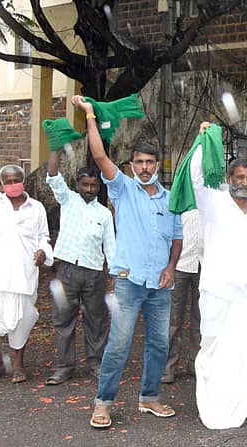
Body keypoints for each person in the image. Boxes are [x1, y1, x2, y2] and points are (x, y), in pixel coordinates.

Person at [74, 95, 184, 429]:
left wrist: (170, 267)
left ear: (157, 164)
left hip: (161, 285)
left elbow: (177, 237)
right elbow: (98, 155)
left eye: (150, 162)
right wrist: (91, 116)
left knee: (158, 344)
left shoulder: (170, 199)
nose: (145, 167)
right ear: (132, 166)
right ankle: (103, 403)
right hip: (129, 282)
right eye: (140, 162)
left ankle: (149, 398)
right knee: (119, 345)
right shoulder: (123, 190)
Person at [179, 122, 247, 428]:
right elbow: (196, 175)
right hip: (217, 292)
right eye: (239, 177)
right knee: (214, 349)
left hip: (246, 298)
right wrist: (203, 139)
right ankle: (213, 404)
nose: (244, 182)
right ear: (229, 178)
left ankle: (241, 398)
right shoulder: (213, 202)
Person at [0, 165, 54, 383]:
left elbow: (44, 237)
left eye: (16, 180)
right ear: (1, 184)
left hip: (23, 275)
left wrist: (43, 253)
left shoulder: (36, 208)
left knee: (22, 319)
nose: (12, 185)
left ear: (23, 181)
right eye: (8, 181)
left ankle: (18, 365)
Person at [44, 148, 115, 385]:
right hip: (67, 271)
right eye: (85, 185)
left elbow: (110, 246)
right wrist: (54, 148)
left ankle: (95, 364)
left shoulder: (104, 214)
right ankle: (65, 367)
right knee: (64, 320)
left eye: (93, 185)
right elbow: (53, 175)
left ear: (98, 187)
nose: (88, 189)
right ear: (78, 184)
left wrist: (113, 274)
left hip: (94, 274)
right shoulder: (68, 200)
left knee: (97, 321)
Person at [161, 208, 201, 384]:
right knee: (173, 320)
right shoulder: (179, 207)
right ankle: (168, 367)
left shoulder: (211, 203)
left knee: (201, 320)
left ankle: (196, 365)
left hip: (204, 266)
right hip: (180, 266)